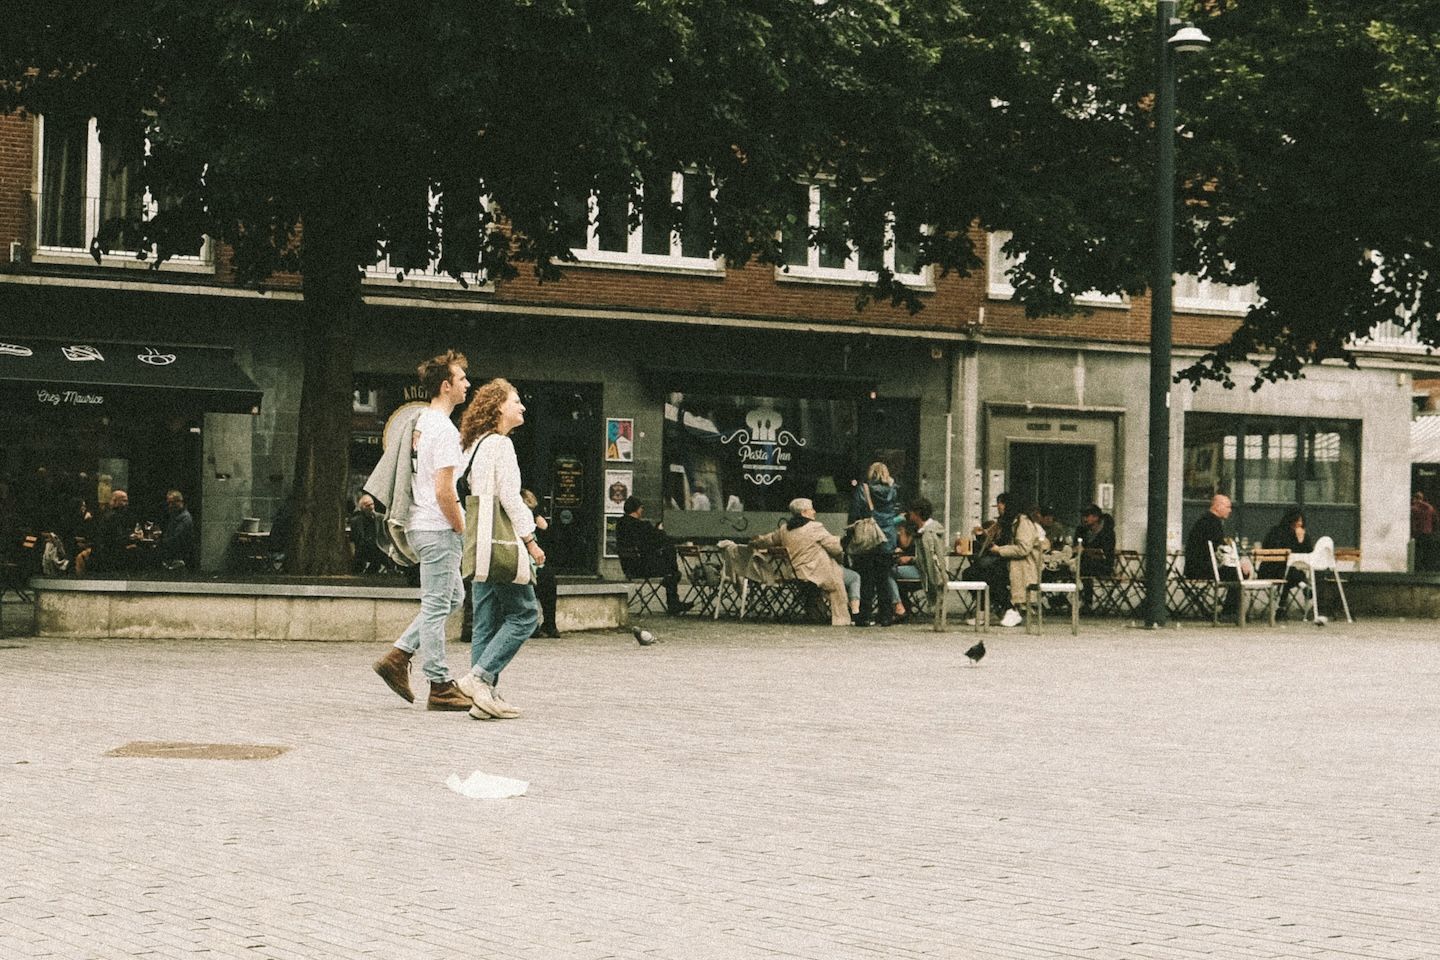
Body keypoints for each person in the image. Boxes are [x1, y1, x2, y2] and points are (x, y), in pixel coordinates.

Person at [372, 349, 474, 711]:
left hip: (422, 524)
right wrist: (461, 526)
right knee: (436, 606)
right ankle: (440, 683)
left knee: (451, 599)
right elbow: (446, 490)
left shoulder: (420, 422)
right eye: (461, 378)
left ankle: (398, 656)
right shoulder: (444, 430)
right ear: (446, 386)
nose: (467, 384)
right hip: (438, 527)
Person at [453, 378, 547, 720]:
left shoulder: (473, 445)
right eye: (516, 401)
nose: (522, 406)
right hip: (503, 543)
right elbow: (509, 497)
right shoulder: (501, 446)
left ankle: (484, 698)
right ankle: (478, 678)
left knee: (486, 620)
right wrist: (531, 541)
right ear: (498, 407)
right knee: (525, 615)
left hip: (480, 543)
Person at [749, 497, 861, 626]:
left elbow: (769, 540)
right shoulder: (814, 527)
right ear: (803, 512)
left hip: (795, 573)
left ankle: (817, 611)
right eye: (811, 509)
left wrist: (755, 542)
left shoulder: (784, 529)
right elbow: (835, 548)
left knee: (834, 577)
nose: (814, 512)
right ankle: (855, 612)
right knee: (854, 577)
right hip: (817, 573)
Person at [966, 492, 1042, 628]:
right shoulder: (1003, 522)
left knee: (989, 572)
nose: (998, 507)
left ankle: (1010, 609)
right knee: (970, 573)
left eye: (1001, 503)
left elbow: (1023, 549)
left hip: (1018, 564)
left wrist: (999, 550)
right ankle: (984, 609)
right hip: (1005, 561)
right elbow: (993, 539)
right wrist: (982, 535)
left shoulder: (1022, 522)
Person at [848, 461, 904, 626]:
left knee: (866, 577)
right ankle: (886, 615)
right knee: (884, 577)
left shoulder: (864, 489)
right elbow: (895, 511)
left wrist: (851, 531)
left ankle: (865, 615)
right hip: (887, 537)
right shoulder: (893, 491)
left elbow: (855, 512)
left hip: (869, 537)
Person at [616, 497, 694, 615]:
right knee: (671, 563)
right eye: (641, 508)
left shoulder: (620, 525)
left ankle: (671, 584)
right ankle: (673, 602)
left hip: (629, 567)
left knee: (670, 567)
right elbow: (659, 540)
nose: (642, 510)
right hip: (644, 567)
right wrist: (660, 530)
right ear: (636, 509)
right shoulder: (642, 526)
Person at [1260, 506, 1318, 618]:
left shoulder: (1303, 535)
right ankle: (1304, 586)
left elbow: (1309, 554)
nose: (1299, 524)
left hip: (1287, 572)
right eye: (1297, 521)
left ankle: (1281, 608)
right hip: (1271, 569)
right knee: (1290, 573)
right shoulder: (1276, 532)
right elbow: (1277, 551)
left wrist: (1301, 540)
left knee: (1290, 573)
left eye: (1301, 521)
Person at [898, 497, 948, 618]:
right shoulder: (933, 529)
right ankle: (902, 606)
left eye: (911, 512)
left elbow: (927, 560)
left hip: (925, 572)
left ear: (917, 513)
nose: (908, 514)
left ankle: (899, 607)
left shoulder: (926, 534)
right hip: (937, 571)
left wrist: (910, 559)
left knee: (888, 573)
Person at [522, 488, 560, 638]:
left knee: (548, 578)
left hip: (536, 564)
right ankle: (532, 624)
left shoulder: (536, 520)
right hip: (522, 562)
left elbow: (551, 542)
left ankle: (550, 623)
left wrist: (542, 526)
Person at [88, 489, 141, 573]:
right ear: (115, 501)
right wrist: (132, 537)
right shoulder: (113, 517)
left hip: (102, 553)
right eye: (124, 501)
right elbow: (114, 539)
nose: (126, 504)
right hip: (108, 556)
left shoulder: (108, 514)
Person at [1076, 503, 1116, 611]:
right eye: (1083, 516)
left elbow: (1107, 551)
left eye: (1087, 516)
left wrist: (1086, 551)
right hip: (1082, 561)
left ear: (1096, 517)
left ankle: (1086, 601)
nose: (1084, 519)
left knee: (1083, 568)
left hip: (1102, 564)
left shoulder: (1107, 532)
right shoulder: (1081, 530)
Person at [349, 493, 390, 573]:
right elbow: (353, 538)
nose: (371, 507)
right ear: (362, 508)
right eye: (367, 505)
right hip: (363, 548)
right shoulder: (356, 521)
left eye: (372, 504)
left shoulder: (381, 518)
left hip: (380, 546)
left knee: (380, 555)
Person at [156, 489, 196, 571]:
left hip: (178, 556)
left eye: (172, 503)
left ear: (180, 502)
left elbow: (177, 537)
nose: (170, 506)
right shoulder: (177, 516)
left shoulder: (184, 518)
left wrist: (160, 542)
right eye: (169, 503)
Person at [1411, 491, 1436, 571]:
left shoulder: (1414, 508)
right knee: (1426, 551)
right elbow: (1435, 519)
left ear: (1415, 499)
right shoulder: (1429, 507)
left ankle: (1419, 568)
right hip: (1428, 532)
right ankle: (1427, 568)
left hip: (1419, 533)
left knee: (1418, 551)